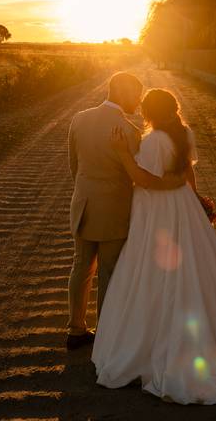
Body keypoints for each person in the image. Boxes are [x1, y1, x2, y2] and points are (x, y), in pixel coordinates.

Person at [92, 88, 216, 405]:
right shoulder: (182, 133)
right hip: (182, 207)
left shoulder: (155, 141)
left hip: (160, 213)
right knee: (197, 266)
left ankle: (168, 351)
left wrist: (123, 153)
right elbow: (187, 172)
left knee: (156, 270)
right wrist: (194, 200)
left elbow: (147, 180)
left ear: (150, 112)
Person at [66, 73, 184, 350]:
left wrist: (88, 191)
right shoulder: (130, 132)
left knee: (81, 267)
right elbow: (138, 176)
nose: (139, 101)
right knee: (109, 272)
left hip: (83, 204)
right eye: (136, 94)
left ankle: (75, 329)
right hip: (115, 210)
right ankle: (107, 333)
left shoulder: (78, 119)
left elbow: (74, 165)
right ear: (121, 91)